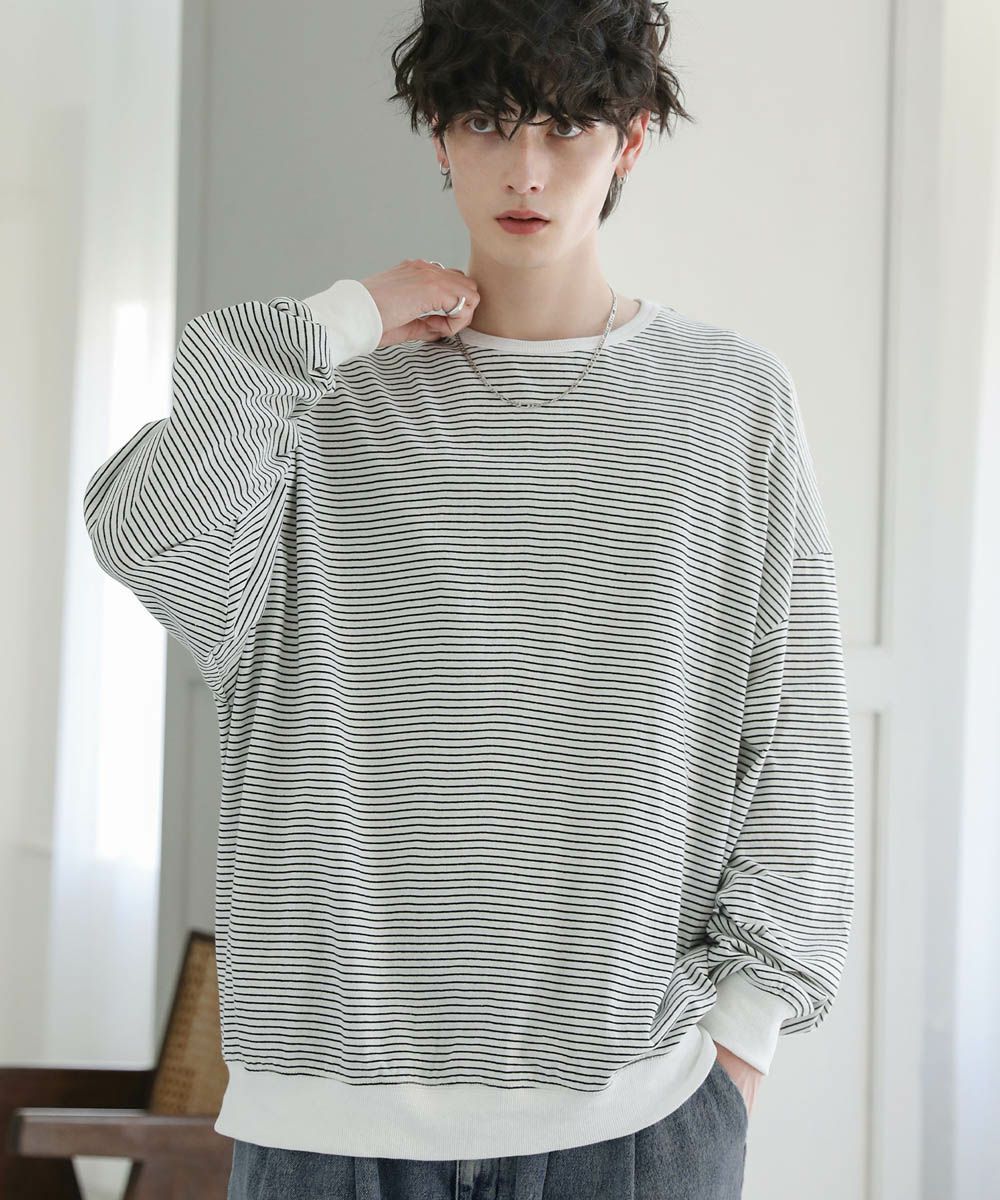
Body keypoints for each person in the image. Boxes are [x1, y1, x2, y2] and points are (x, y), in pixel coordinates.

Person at [82, 2, 855, 1197]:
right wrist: (336, 322)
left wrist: (742, 1039)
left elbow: (795, 730)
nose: (527, 170)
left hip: (635, 1113)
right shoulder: (319, 399)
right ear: (438, 135)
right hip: (329, 1119)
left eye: (566, 127)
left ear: (630, 140)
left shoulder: (726, 400)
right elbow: (146, 533)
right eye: (489, 123)